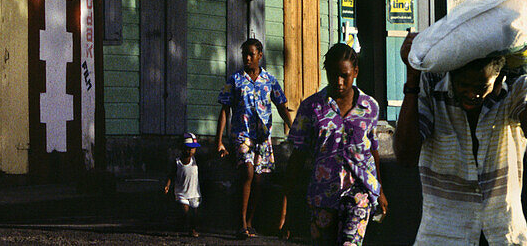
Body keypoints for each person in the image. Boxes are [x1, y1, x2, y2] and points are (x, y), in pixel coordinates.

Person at [394, 6, 527, 245]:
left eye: (480, 87)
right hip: (443, 236)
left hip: (504, 234)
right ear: (451, 77)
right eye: (463, 86)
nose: (471, 94)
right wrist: (412, 78)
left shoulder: (517, 90)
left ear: (499, 79)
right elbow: (405, 154)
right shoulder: (432, 89)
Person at [282, 43, 388, 246]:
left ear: (355, 72)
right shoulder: (311, 107)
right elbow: (298, 156)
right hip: (322, 194)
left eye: (344, 75)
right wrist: (286, 206)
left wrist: (380, 190)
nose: (339, 82)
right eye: (333, 75)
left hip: (359, 191)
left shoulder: (370, 107)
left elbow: (372, 150)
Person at [215, 37, 293, 238]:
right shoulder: (234, 80)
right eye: (244, 54)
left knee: (259, 181)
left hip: (262, 138)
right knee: (247, 173)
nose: (247, 58)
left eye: (251, 54)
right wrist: (219, 141)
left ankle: (250, 222)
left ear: (260, 55)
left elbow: (281, 106)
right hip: (242, 135)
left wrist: (293, 128)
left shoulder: (269, 80)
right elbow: (225, 110)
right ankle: (241, 223)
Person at [164, 132, 203, 237]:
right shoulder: (177, 162)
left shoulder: (196, 161)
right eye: (188, 148)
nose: (190, 151)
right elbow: (171, 175)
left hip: (194, 193)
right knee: (185, 211)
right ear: (182, 148)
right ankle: (184, 224)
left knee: (194, 213)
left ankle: (192, 229)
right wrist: (167, 185)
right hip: (181, 192)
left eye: (193, 149)